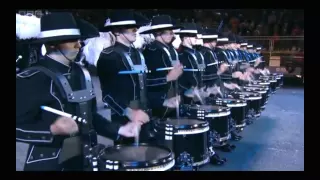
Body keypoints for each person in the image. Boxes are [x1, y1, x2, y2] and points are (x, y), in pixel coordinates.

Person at [16, 12, 139, 171]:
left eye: (79, 40)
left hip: (85, 159)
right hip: (52, 164)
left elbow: (90, 117)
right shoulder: (33, 78)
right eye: (72, 40)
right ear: (53, 44)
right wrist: (51, 130)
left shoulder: (82, 73)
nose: (79, 45)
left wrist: (120, 129)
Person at [92, 10, 152, 145]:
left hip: (144, 114)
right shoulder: (109, 56)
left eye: (135, 27)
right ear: (117, 31)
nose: (135, 30)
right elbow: (107, 95)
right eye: (129, 27)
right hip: (123, 118)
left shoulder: (138, 54)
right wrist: (128, 112)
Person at [139, 15, 183, 119]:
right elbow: (146, 81)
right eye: (168, 32)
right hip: (159, 104)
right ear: (158, 32)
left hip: (174, 100)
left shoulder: (172, 50)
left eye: (172, 32)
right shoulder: (151, 51)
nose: (172, 35)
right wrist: (167, 78)